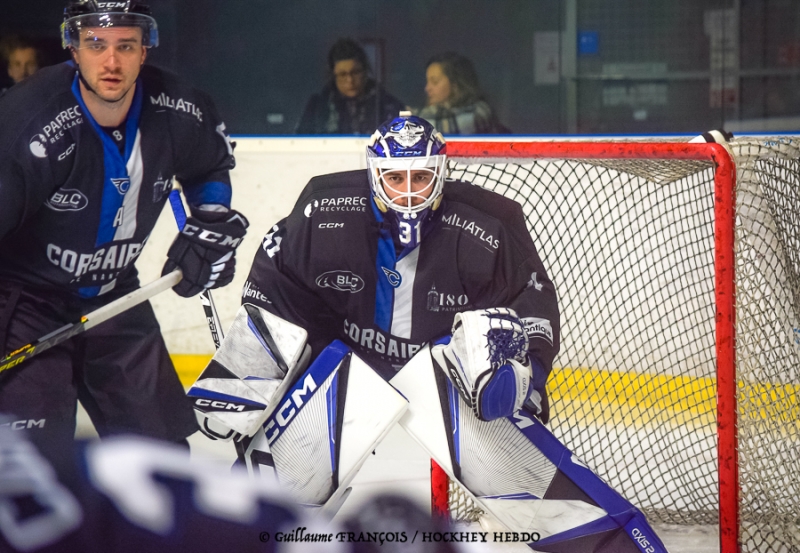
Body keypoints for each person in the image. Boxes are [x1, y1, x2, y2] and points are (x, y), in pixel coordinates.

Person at [0, 0, 249, 466]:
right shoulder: (25, 123)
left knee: (163, 462)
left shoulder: (178, 109)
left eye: (126, 46)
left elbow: (208, 165)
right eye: (96, 45)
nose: (111, 61)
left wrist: (210, 220)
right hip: (25, 304)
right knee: (33, 466)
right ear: (74, 48)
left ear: (144, 50)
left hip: (116, 296)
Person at [244, 113, 558, 423]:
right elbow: (276, 272)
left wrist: (527, 372)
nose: (409, 193)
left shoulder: (488, 226)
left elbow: (531, 296)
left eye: (421, 177)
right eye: (395, 178)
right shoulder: (323, 212)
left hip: (448, 385)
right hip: (345, 372)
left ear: (440, 174)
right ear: (374, 175)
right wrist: (257, 355)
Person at [295, 38, 406, 135]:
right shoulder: (318, 109)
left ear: (365, 71)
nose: (350, 80)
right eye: (343, 74)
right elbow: (300, 144)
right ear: (333, 76)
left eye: (355, 72)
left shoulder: (388, 106)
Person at [417, 52, 509, 135]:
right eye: (427, 82)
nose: (427, 88)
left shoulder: (480, 111)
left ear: (455, 85)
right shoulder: (430, 113)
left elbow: (442, 125)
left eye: (435, 82)